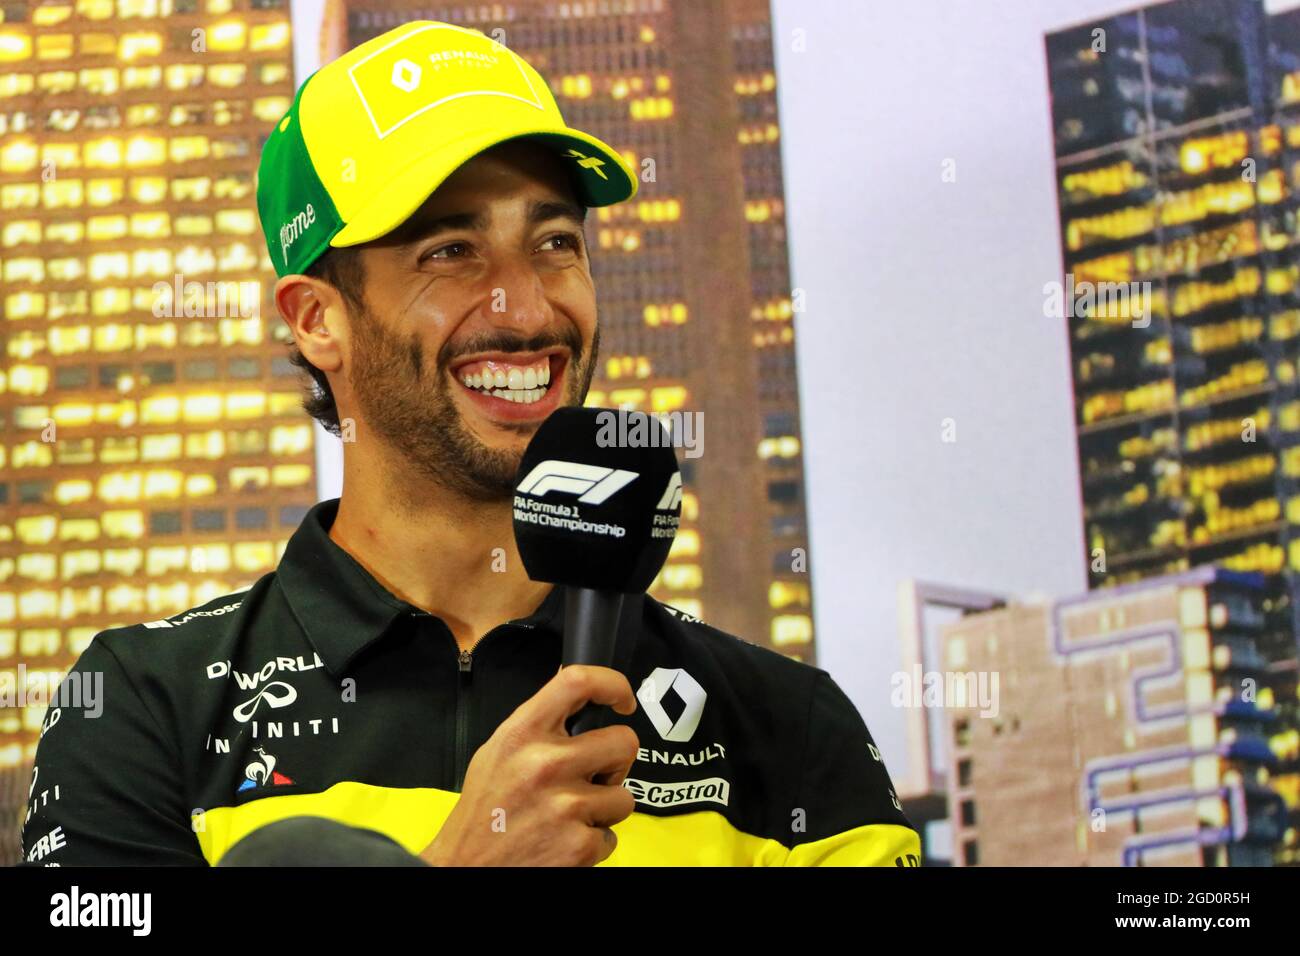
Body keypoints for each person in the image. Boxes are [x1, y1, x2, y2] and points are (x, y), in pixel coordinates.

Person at [21, 20, 920, 867]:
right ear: (317, 320)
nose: (526, 310)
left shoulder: (788, 725)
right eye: (449, 252)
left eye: (556, 242)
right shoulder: (144, 707)